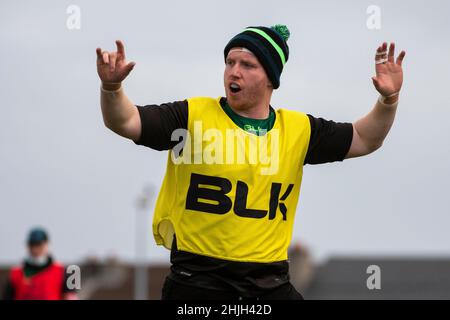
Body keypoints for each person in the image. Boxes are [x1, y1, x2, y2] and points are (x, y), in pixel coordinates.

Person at [96, 24, 405, 300]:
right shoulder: (191, 117)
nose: (234, 71)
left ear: (270, 78)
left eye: (247, 64)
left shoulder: (298, 130)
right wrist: (112, 88)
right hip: (198, 283)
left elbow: (365, 138)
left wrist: (388, 100)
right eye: (230, 62)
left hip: (269, 284)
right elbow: (127, 121)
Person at [2, 228, 78, 300]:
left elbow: (71, 296)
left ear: (47, 244)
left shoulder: (64, 271)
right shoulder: (15, 274)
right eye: (32, 245)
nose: (35, 249)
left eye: (39, 245)